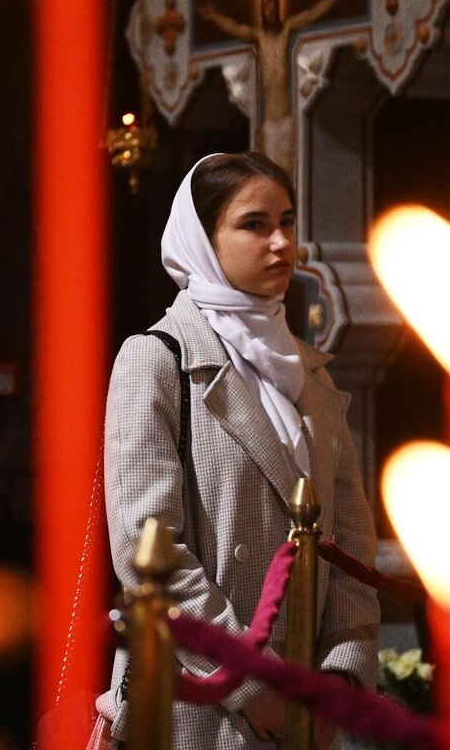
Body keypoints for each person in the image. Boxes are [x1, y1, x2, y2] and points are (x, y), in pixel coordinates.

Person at [97, 152, 378, 748]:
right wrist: (254, 689)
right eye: (254, 224)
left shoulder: (312, 374)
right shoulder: (156, 358)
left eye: (288, 221)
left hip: (305, 708)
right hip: (198, 706)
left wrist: (342, 680)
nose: (281, 242)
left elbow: (352, 541)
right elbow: (148, 549)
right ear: (204, 238)